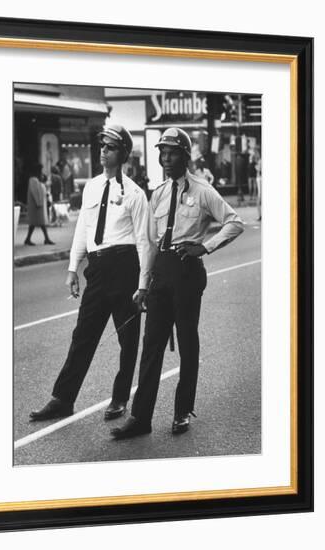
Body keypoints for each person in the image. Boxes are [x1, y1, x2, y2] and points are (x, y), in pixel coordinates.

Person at [111, 127, 244, 440]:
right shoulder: (157, 193)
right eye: (162, 153)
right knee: (151, 347)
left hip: (187, 272)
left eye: (172, 153)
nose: (166, 159)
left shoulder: (202, 190)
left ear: (185, 156)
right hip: (161, 274)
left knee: (187, 343)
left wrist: (206, 246)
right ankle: (140, 418)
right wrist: (143, 285)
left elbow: (234, 222)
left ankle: (182, 411)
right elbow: (151, 243)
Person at [30, 125, 149, 422]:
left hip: (125, 267)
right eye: (102, 147)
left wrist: (144, 284)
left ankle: (120, 398)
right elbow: (83, 229)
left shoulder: (135, 194)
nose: (103, 152)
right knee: (82, 335)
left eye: (109, 147)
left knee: (127, 338)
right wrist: (73, 268)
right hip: (96, 269)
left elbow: (146, 242)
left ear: (122, 153)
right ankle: (63, 399)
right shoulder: (92, 187)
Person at [24, 163, 55, 246]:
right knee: (39, 223)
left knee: (35, 224)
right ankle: (46, 239)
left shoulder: (35, 180)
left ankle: (29, 239)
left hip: (38, 205)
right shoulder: (33, 180)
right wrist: (39, 203)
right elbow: (35, 193)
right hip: (36, 206)